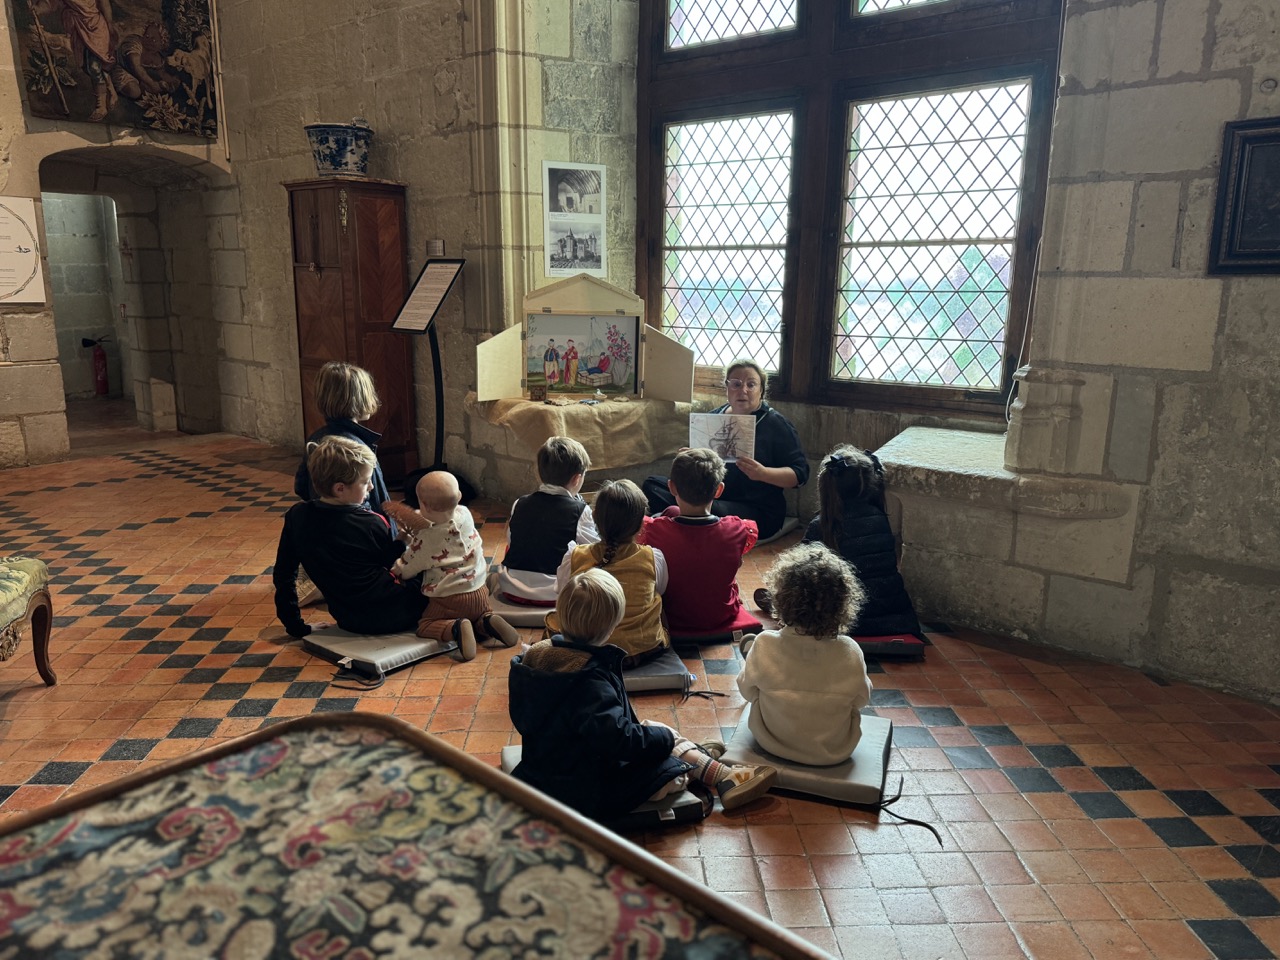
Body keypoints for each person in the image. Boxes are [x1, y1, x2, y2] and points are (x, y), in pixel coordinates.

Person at [509, 568, 778, 819]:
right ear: (612, 626)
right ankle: (719, 775)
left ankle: (696, 757)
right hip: (587, 790)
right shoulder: (589, 682)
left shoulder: (535, 657)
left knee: (654, 732)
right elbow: (620, 741)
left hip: (543, 768)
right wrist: (661, 740)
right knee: (667, 763)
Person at [757, 447, 922, 637]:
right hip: (893, 618)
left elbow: (796, 572)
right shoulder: (880, 517)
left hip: (846, 621)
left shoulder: (822, 526)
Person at [273, 436, 425, 639]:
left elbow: (284, 575)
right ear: (340, 488)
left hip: (349, 620)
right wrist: (404, 542)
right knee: (436, 561)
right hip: (399, 613)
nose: (371, 486)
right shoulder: (371, 522)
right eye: (365, 481)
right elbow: (395, 567)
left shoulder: (296, 515)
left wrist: (297, 627)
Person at [737, 543, 873, 766]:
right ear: (843, 606)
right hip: (834, 750)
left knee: (759, 685)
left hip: (771, 742)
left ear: (781, 600)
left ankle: (753, 661)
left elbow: (746, 691)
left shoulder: (765, 643)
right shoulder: (850, 650)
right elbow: (861, 700)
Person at [642, 359, 809, 540]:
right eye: (736, 384)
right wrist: (690, 457)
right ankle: (691, 524)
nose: (743, 390)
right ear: (727, 388)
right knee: (653, 486)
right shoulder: (714, 418)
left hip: (755, 508)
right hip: (710, 496)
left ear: (761, 390)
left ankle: (683, 523)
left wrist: (763, 473)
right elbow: (699, 467)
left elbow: (800, 475)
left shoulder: (775, 424)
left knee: (699, 509)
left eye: (751, 384)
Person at [391, 472, 519, 656]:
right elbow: (443, 525)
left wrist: (398, 562)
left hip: (448, 600)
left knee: (425, 625)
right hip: (479, 592)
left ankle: (455, 628)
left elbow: (407, 568)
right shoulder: (465, 514)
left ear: (423, 504)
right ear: (459, 497)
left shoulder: (426, 539)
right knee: (481, 614)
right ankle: (487, 621)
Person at [545, 479, 667, 667]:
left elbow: (563, 593)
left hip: (585, 650)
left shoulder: (575, 555)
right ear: (641, 523)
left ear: (594, 517)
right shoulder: (653, 558)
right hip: (639, 649)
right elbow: (661, 588)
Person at [638, 448, 759, 635]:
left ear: (671, 487)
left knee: (670, 512)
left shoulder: (654, 530)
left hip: (673, 616)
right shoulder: (737, 529)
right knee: (672, 510)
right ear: (719, 490)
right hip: (721, 614)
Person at [494, 436, 599, 606]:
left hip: (511, 588)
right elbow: (595, 550)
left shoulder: (519, 503)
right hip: (556, 593)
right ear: (577, 479)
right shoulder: (581, 511)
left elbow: (513, 542)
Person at [294, 361, 394, 531]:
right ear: (359, 399)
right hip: (363, 532)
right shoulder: (357, 449)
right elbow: (378, 501)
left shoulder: (317, 438)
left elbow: (302, 487)